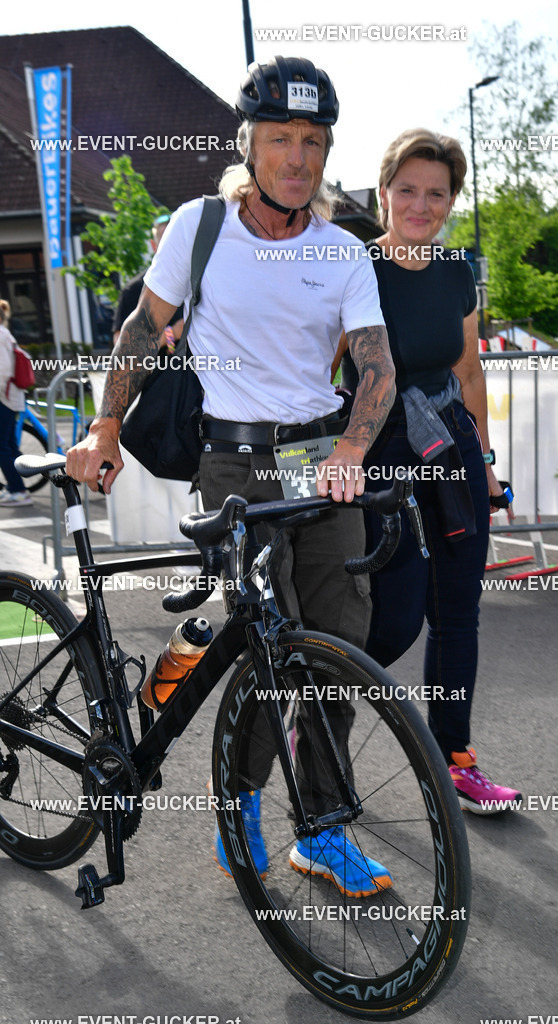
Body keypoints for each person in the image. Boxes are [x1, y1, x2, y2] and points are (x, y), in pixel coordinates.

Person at [66, 56, 396, 894]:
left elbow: (376, 367)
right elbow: (144, 327)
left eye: (313, 141)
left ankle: (321, 828)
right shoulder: (201, 226)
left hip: (318, 459)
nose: (298, 157)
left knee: (337, 651)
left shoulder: (342, 251)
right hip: (234, 463)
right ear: (250, 144)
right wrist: (105, 424)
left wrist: (351, 450)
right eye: (281, 139)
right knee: (266, 641)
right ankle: (241, 805)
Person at [337, 127, 521, 814]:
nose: (421, 205)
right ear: (384, 193)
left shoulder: (454, 271)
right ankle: (316, 728)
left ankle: (454, 758)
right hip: (378, 452)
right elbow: (323, 367)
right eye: (407, 190)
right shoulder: (355, 268)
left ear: (450, 201)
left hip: (450, 448)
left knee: (457, 611)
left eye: (436, 193)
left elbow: (467, 372)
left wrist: (488, 465)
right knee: (393, 618)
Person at [112, 214, 183, 348]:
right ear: (154, 245)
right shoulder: (135, 289)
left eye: (179, 239)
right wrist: (172, 334)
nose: (174, 245)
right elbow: (121, 345)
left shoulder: (202, 284)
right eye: (167, 240)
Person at [0, 299, 32, 507]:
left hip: (4, 398)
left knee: (3, 447)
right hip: (10, 397)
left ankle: (18, 490)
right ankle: (16, 487)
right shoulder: (5, 333)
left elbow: (3, 371)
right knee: (9, 445)